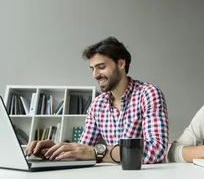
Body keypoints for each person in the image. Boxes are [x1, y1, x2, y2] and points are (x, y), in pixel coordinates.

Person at [26, 37, 169, 164]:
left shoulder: (148, 94)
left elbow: (157, 151)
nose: (95, 75)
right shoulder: (97, 104)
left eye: (101, 67)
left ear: (121, 64)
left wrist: (97, 152)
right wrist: (55, 151)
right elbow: (83, 149)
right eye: (92, 69)